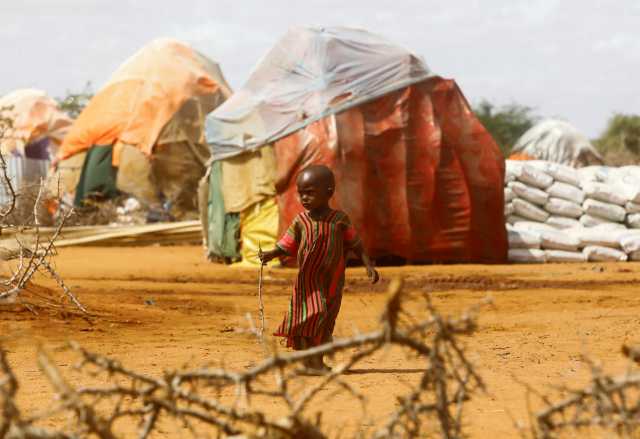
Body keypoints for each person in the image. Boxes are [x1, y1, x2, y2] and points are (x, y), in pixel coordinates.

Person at [259, 164, 379, 372]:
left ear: (329, 192)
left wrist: (368, 264)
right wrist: (270, 254)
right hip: (307, 282)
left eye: (310, 193)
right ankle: (309, 361)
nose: (304, 198)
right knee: (307, 318)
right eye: (301, 194)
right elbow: (286, 244)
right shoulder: (301, 221)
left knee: (325, 319)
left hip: (332, 282)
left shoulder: (339, 220)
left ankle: (317, 362)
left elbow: (355, 243)